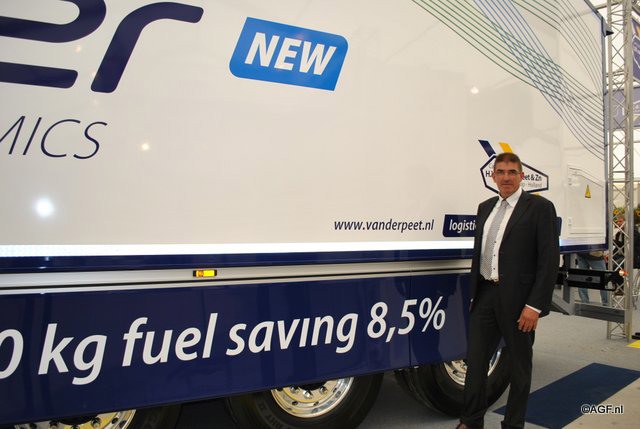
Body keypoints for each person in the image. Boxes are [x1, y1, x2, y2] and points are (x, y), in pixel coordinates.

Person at [458, 152, 559, 429]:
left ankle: (513, 425)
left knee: (519, 368)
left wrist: (534, 306)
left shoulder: (539, 208)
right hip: (485, 295)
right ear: (493, 176)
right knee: (476, 363)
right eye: (500, 172)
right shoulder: (485, 207)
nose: (506, 177)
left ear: (522, 176)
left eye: (512, 172)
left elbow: (549, 260)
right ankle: (470, 421)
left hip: (520, 301)